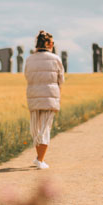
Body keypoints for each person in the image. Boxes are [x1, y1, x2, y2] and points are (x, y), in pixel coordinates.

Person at [24, 30, 64, 170]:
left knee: (35, 128)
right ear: (47, 43)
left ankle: (39, 158)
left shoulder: (29, 59)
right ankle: (40, 160)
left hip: (33, 96)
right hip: (50, 97)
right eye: (52, 43)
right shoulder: (56, 59)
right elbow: (61, 79)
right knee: (45, 128)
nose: (53, 45)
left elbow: (27, 76)